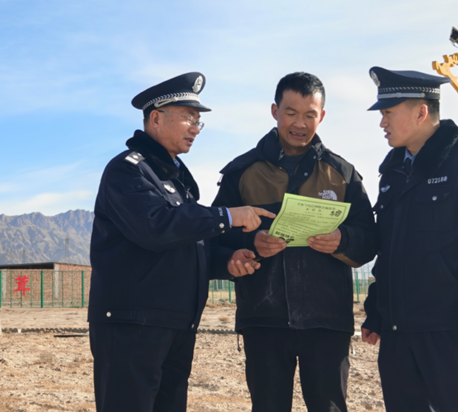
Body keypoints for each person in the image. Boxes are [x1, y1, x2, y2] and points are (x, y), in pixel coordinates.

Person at [88, 72, 274, 412]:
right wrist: (227, 216)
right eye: (188, 117)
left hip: (174, 324)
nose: (195, 128)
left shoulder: (176, 181)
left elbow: (188, 245)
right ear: (156, 118)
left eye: (198, 121)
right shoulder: (128, 171)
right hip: (132, 325)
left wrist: (228, 261)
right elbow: (156, 227)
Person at [212, 72, 377, 412]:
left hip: (327, 321)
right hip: (263, 320)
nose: (300, 123)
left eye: (309, 115)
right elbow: (215, 234)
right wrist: (252, 241)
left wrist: (343, 239)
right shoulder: (241, 172)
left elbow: (369, 239)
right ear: (275, 111)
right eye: (291, 113)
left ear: (322, 116)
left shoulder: (342, 174)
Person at [360, 67, 458, 412]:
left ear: (420, 112)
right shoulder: (393, 172)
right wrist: (376, 312)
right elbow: (390, 252)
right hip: (398, 334)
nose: (382, 123)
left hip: (452, 332)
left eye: (388, 113)